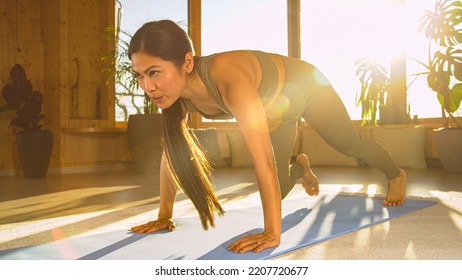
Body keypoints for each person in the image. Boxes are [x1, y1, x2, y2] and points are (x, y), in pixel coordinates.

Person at [129, 20, 407, 253]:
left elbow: (263, 161)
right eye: (139, 76)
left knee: (348, 143)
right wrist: (164, 216)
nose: (147, 87)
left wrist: (272, 233)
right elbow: (173, 155)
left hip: (307, 88)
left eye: (154, 73)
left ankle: (395, 174)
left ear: (187, 62)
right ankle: (300, 167)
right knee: (280, 188)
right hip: (275, 111)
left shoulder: (228, 76)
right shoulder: (174, 95)